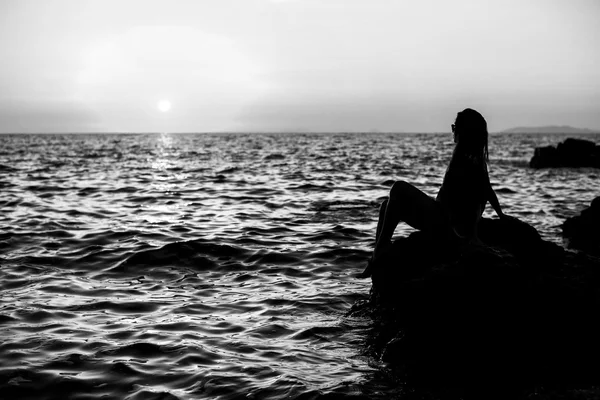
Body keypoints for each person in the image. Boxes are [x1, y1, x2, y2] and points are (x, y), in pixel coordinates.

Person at [358, 108, 510, 278]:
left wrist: (469, 236)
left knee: (398, 188)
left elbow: (476, 201)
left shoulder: (465, 159)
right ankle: (378, 255)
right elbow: (486, 192)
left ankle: (379, 253)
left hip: (443, 222)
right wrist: (501, 215)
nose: (453, 131)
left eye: (455, 127)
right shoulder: (474, 159)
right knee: (386, 205)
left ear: (463, 131)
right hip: (441, 217)